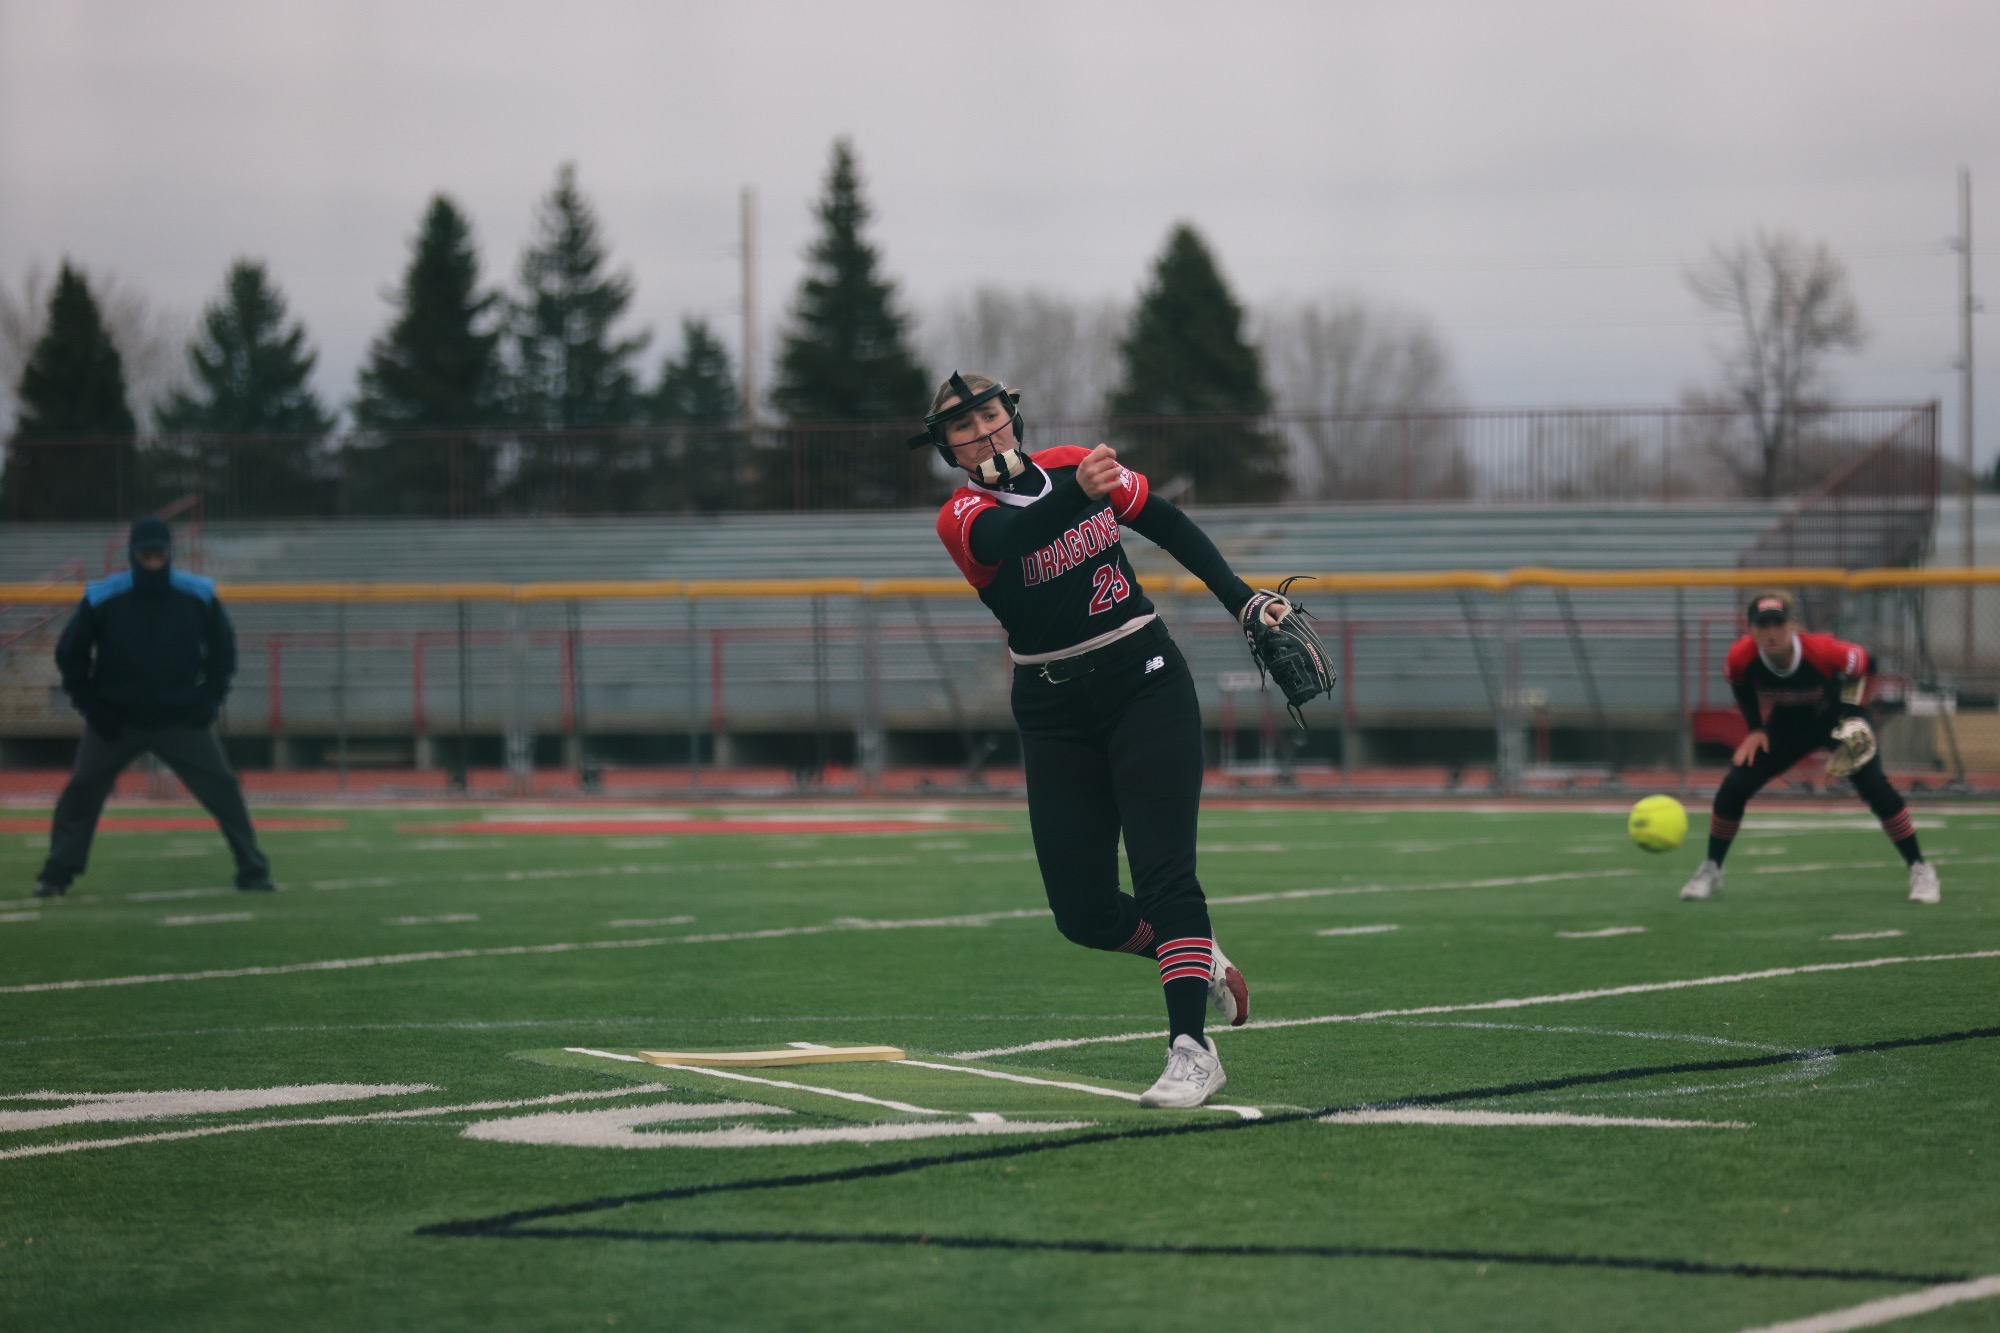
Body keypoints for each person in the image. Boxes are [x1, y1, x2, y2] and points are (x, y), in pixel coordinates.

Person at [917, 371, 1297, 1108]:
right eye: (962, 426)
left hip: (1144, 678)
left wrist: (1242, 597)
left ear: (1012, 416)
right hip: (1053, 708)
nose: (982, 431)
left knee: (1166, 876)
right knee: (1083, 913)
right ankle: (1193, 957)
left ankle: (1192, 1047)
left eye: (989, 413)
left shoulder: (1068, 464)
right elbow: (1018, 533)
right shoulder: (961, 513)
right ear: (947, 448)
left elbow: (1167, 521)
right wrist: (1082, 491)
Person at [33, 516, 272, 897]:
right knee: (81, 791)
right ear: (133, 555)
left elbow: (223, 652)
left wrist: (209, 700)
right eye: (146, 553)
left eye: (160, 552)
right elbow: (70, 655)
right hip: (115, 721)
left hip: (181, 720)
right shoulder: (102, 596)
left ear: (170, 553)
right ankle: (55, 875)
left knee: (223, 788)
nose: (154, 560)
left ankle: (254, 870)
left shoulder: (198, 594)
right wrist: (92, 708)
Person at [1681, 590, 1938, 905]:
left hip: (1837, 717)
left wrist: (1855, 717)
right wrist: (1756, 730)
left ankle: (1920, 868)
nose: (1771, 632)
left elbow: (1868, 664)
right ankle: (1711, 868)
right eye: (1763, 625)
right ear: (1751, 629)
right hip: (1786, 725)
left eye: (1778, 623)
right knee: (1734, 786)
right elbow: (1740, 684)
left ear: (1792, 626)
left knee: (1875, 788)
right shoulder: (1741, 657)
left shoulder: (1822, 650)